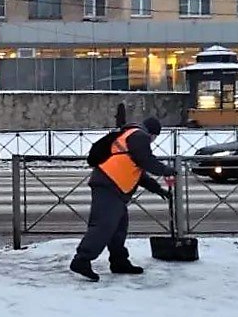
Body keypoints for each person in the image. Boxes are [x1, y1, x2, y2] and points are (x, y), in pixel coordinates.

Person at [70, 116, 175, 282]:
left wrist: (159, 190)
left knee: (119, 227)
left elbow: (139, 174)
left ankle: (119, 262)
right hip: (108, 184)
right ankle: (81, 260)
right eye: (155, 137)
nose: (153, 141)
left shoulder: (131, 137)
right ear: (153, 133)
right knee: (104, 225)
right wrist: (167, 170)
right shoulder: (139, 136)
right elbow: (147, 161)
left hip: (114, 187)